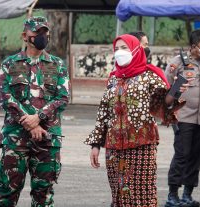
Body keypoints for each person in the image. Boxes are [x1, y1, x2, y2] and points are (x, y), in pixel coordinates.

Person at [84, 34, 189, 207]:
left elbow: (163, 104)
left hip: (141, 147)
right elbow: (103, 112)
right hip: (114, 148)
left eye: (124, 48)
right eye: (116, 49)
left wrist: (176, 90)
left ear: (135, 49)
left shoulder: (149, 76)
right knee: (119, 194)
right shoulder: (113, 78)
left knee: (142, 195)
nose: (119, 52)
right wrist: (95, 145)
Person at [0, 16, 70, 207]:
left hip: (47, 140)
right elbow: (5, 97)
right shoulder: (10, 64)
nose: (42, 36)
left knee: (44, 195)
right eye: (37, 33)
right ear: (25, 36)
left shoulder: (57, 65)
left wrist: (38, 117)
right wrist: (29, 122)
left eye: (45, 33)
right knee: (6, 193)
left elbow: (63, 98)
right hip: (16, 139)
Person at [165, 29, 200, 207]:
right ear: (193, 47)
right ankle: (172, 195)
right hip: (183, 117)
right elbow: (165, 86)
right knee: (182, 155)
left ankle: (187, 194)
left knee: (195, 156)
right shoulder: (179, 62)